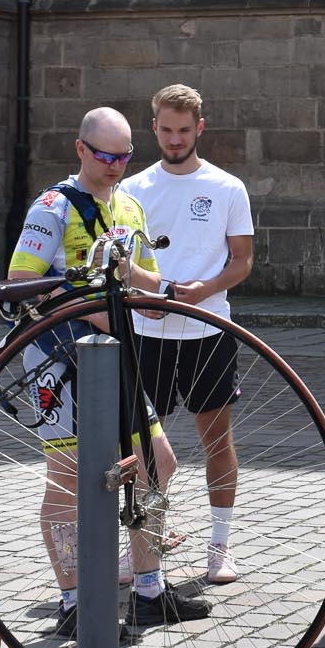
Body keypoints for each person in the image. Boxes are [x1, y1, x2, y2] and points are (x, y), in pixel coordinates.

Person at [8, 106, 209, 638]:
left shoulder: (128, 205)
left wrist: (154, 291)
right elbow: (20, 282)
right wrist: (85, 304)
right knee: (71, 479)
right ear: (80, 150)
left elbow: (141, 275)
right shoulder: (52, 208)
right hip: (57, 359)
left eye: (123, 156)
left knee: (156, 462)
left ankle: (148, 592)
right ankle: (73, 601)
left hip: (117, 357)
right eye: (104, 156)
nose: (115, 166)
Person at [119, 83, 254, 586]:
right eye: (166, 130)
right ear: (153, 127)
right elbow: (122, 261)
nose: (175, 139)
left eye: (184, 130)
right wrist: (142, 299)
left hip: (209, 331)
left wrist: (204, 290)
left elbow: (242, 262)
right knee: (136, 447)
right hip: (145, 332)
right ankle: (143, 543)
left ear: (200, 127)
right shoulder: (131, 189)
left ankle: (219, 547)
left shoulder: (227, 188)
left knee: (216, 441)